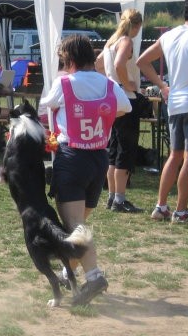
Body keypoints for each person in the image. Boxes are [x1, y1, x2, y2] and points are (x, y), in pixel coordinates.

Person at [40, 34, 131, 305]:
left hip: (72, 158)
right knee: (78, 225)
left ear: (68, 60)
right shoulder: (109, 84)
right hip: (98, 160)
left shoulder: (64, 82)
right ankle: (68, 273)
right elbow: (124, 108)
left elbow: (46, 108)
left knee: (75, 226)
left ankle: (94, 277)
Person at [136, 0, 188, 224]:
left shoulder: (169, 35)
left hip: (174, 103)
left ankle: (161, 206)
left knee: (174, 156)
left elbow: (142, 61)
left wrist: (162, 85)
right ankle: (181, 211)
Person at [95, 8, 144, 213]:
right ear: (137, 26)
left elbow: (98, 65)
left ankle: (112, 196)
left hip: (111, 100)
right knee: (125, 150)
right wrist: (127, 84)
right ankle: (120, 199)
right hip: (126, 100)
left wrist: (110, 81)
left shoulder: (110, 42)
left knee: (114, 149)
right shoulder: (126, 41)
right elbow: (119, 63)